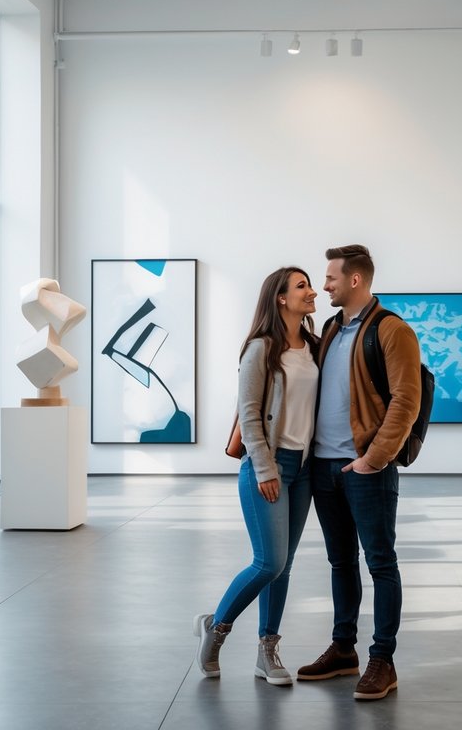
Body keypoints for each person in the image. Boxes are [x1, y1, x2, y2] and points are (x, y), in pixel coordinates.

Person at [297, 244, 421, 701]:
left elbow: (407, 401)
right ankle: (344, 649)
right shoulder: (330, 328)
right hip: (325, 468)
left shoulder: (391, 330)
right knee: (340, 562)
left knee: (380, 562)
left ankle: (382, 660)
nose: (322, 284)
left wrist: (374, 459)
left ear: (354, 281)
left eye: (329, 277)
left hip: (366, 469)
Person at [194, 266, 320, 686]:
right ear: (280, 298)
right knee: (269, 561)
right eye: (302, 286)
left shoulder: (315, 346)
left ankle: (267, 652)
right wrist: (265, 466)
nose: (312, 290)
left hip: (302, 469)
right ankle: (217, 628)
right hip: (268, 465)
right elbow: (249, 414)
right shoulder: (261, 349)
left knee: (283, 567)